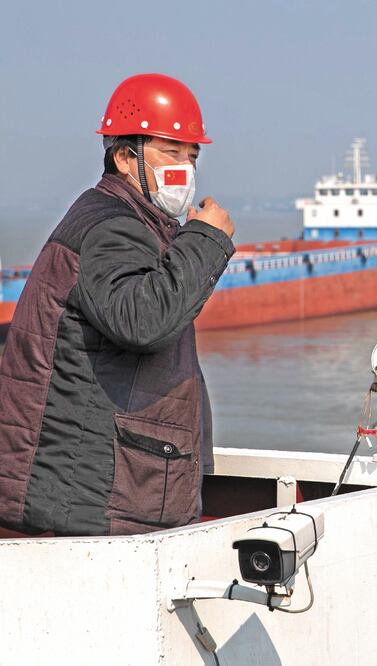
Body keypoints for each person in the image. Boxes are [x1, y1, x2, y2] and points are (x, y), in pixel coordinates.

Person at [0, 73, 235, 536]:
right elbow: (144, 321)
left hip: (90, 490)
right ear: (126, 157)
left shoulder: (120, 218)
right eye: (171, 152)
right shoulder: (114, 228)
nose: (185, 168)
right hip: (93, 499)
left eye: (192, 155)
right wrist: (207, 240)